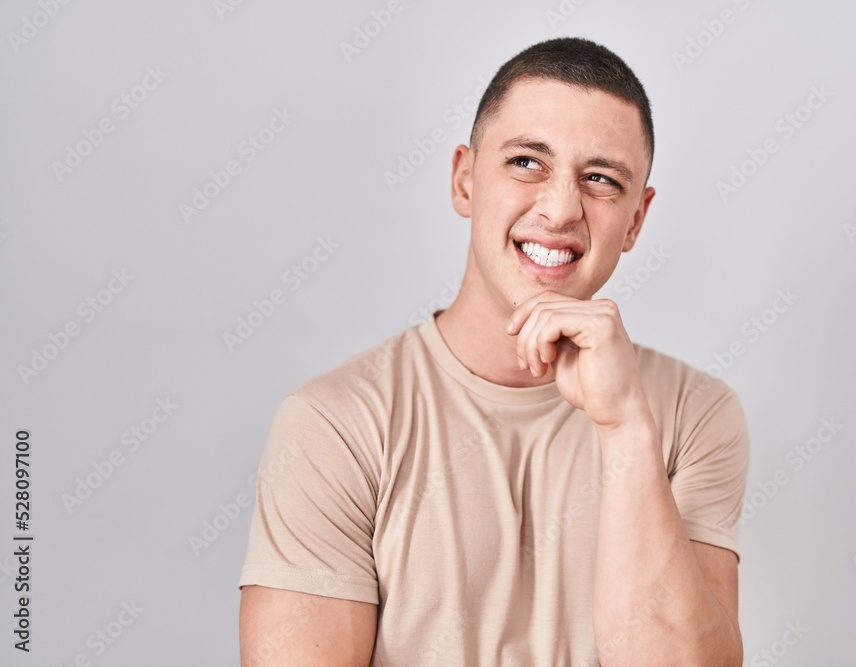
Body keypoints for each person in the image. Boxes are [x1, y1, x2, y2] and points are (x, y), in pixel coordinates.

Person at [238, 37, 749, 666]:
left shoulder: (694, 415)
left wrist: (624, 430)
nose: (560, 209)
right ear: (464, 180)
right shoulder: (334, 423)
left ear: (636, 221)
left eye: (600, 179)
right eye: (528, 162)